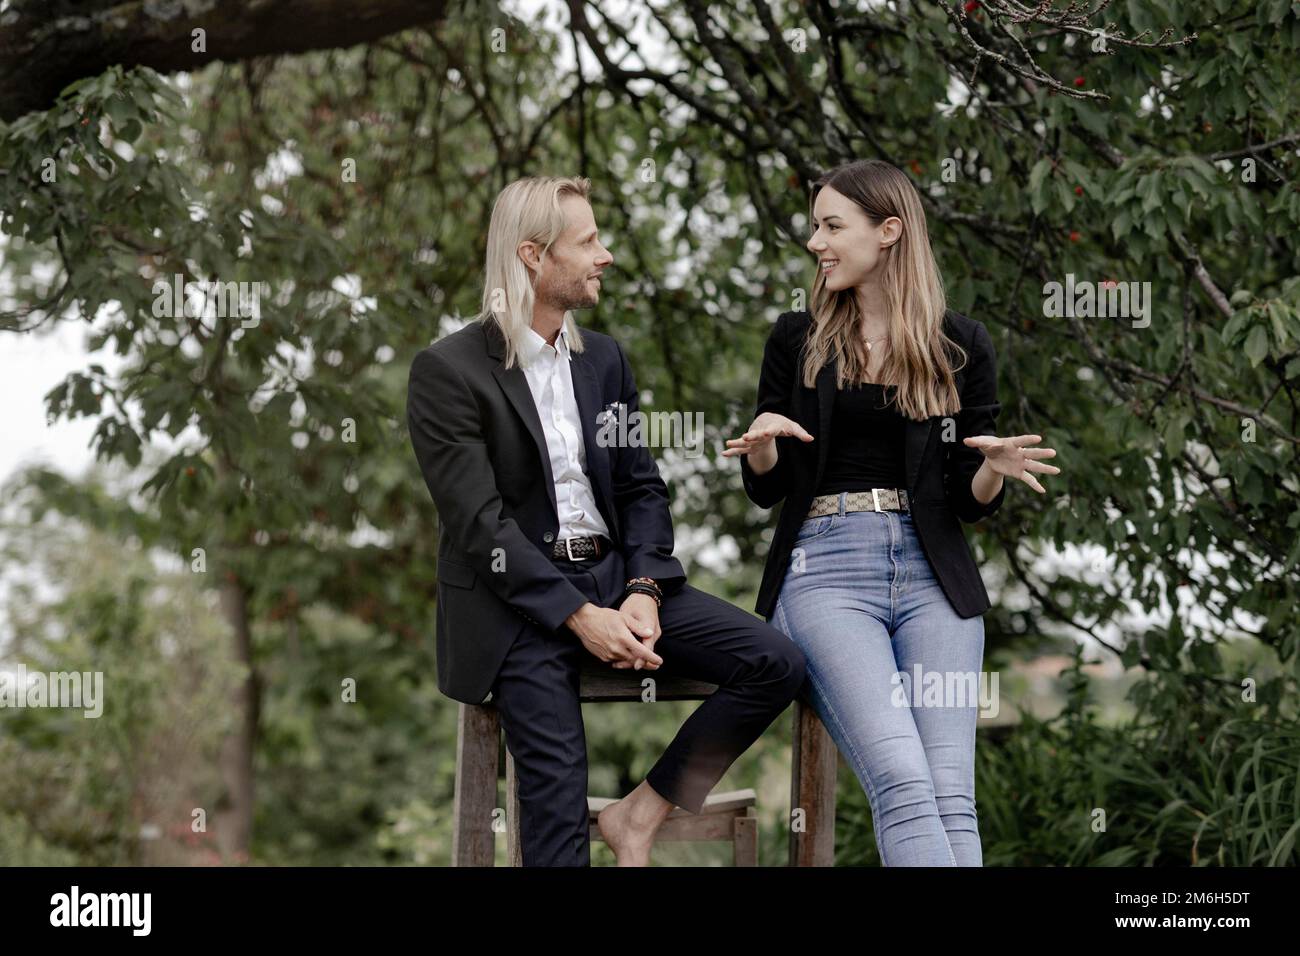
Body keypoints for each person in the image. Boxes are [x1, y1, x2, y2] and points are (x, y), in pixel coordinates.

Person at [407, 175, 806, 867]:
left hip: (619, 579)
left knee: (775, 663)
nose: (606, 255)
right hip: (520, 609)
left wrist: (644, 590)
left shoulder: (605, 361)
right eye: (588, 240)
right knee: (556, 816)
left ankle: (640, 811)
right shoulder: (448, 371)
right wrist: (577, 617)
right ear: (533, 256)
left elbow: (642, 488)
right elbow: (482, 529)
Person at [723, 159, 1059, 866]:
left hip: (932, 573)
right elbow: (768, 488)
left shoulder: (959, 346)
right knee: (904, 783)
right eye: (816, 226)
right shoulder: (796, 339)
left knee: (949, 796)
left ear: (889, 231)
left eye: (831, 226)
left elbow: (968, 502)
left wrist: (992, 471)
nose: (816, 242)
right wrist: (759, 450)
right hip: (826, 571)